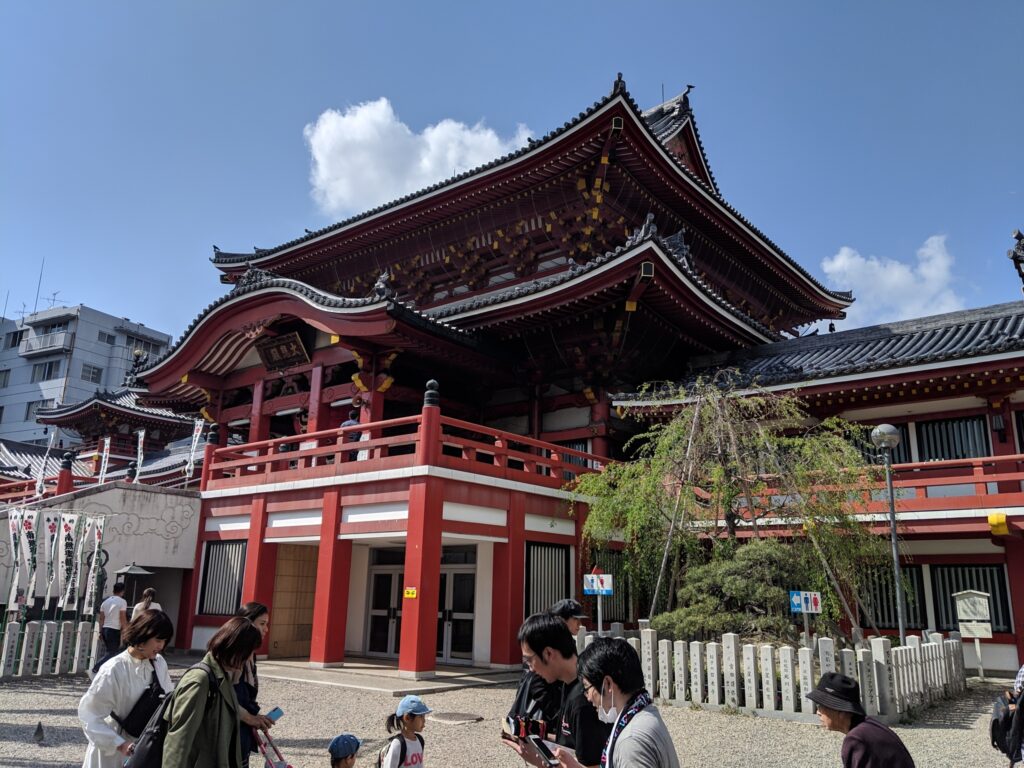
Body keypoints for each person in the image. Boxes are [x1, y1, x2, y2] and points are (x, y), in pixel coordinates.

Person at [556, 637, 678, 768]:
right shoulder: (645, 712)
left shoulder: (631, 743)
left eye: (587, 688)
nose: (588, 697)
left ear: (608, 684)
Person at [162, 616, 263, 768]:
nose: (249, 658)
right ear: (235, 647)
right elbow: (179, 739)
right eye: (248, 652)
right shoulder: (200, 680)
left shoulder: (222, 676)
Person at [78, 609, 174, 768]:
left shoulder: (159, 663)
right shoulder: (114, 669)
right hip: (113, 749)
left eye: (164, 641)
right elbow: (90, 715)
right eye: (158, 640)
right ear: (143, 635)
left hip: (144, 746)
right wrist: (119, 744)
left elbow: (168, 700)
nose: (161, 646)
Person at [514, 612, 610, 768]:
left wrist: (539, 761)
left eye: (529, 660)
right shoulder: (568, 684)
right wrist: (535, 738)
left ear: (548, 653)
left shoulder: (585, 699)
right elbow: (571, 743)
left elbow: (592, 764)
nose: (530, 669)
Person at [807, 672, 915, 768]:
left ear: (841, 711)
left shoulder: (856, 739)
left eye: (820, 706)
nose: (818, 712)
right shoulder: (870, 727)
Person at [234, 602, 275, 765]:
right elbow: (224, 698)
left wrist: (256, 718)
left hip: (243, 732)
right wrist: (250, 718)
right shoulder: (233, 657)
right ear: (246, 624)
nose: (266, 629)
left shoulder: (252, 656)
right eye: (262, 624)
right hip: (228, 732)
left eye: (267, 624)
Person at [380, 694, 430, 768]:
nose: (424, 720)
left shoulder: (420, 740)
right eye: (420, 716)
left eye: (424, 716)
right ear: (407, 718)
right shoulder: (397, 745)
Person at [93, 582, 128, 672]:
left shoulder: (105, 602)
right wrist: (125, 630)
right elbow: (122, 617)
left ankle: (106, 669)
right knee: (112, 652)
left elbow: (101, 618)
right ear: (122, 591)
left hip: (105, 629)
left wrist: (100, 631)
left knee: (110, 651)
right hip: (114, 629)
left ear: (113, 590)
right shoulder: (122, 602)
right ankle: (97, 667)